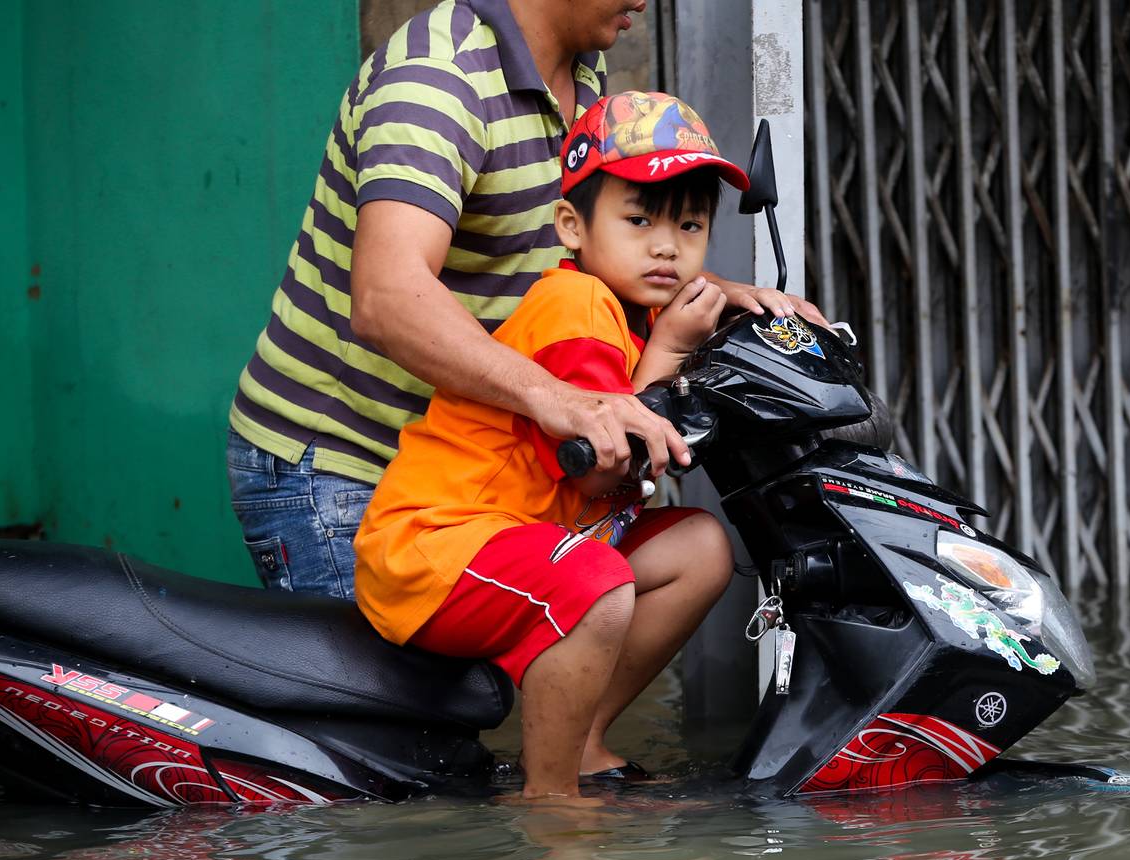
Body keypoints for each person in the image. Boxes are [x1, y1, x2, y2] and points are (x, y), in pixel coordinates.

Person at [226, 0, 821, 600]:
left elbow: (582, 244)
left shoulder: (580, 73)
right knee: (418, 696)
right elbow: (387, 298)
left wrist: (719, 294)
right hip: (348, 465)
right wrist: (562, 399)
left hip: (472, 476)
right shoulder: (439, 78)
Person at [353, 91, 745, 799]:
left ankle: (582, 740)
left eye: (689, 224)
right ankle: (553, 804)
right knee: (595, 587)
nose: (666, 245)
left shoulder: (633, 310)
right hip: (439, 547)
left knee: (701, 548)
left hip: (522, 540)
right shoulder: (577, 306)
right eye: (639, 220)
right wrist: (667, 352)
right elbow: (603, 473)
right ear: (572, 225)